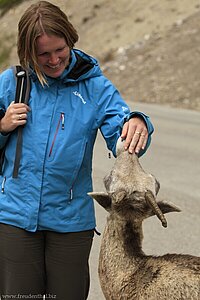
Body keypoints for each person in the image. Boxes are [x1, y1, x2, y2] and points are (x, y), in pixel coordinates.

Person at [0, 1, 154, 299]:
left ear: (70, 40)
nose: (54, 60)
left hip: (69, 223)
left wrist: (136, 122)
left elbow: (120, 132)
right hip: (15, 218)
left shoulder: (95, 88)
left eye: (60, 49)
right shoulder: (11, 83)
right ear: (27, 52)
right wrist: (3, 125)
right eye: (43, 54)